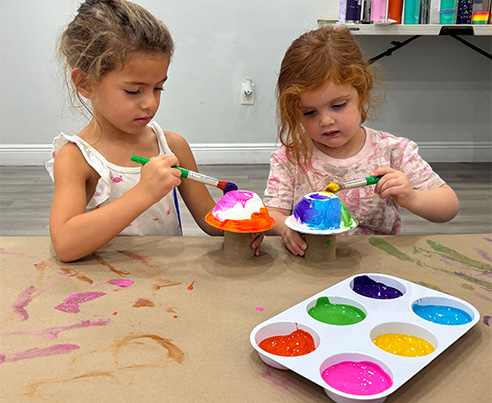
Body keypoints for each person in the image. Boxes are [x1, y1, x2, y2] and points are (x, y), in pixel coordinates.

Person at [46, 0, 263, 262]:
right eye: (133, 91)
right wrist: (144, 192)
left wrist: (241, 223)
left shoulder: (172, 147)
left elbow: (209, 219)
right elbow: (66, 245)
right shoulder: (77, 158)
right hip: (108, 281)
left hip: (168, 277)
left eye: (158, 88)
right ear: (85, 83)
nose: (150, 102)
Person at [264, 25, 459, 256]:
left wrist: (412, 197)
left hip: (377, 261)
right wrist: (284, 227)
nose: (326, 121)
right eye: (309, 112)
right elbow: (273, 215)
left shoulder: (393, 151)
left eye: (338, 106)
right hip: (312, 260)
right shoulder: (290, 157)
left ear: (362, 92)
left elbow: (449, 206)